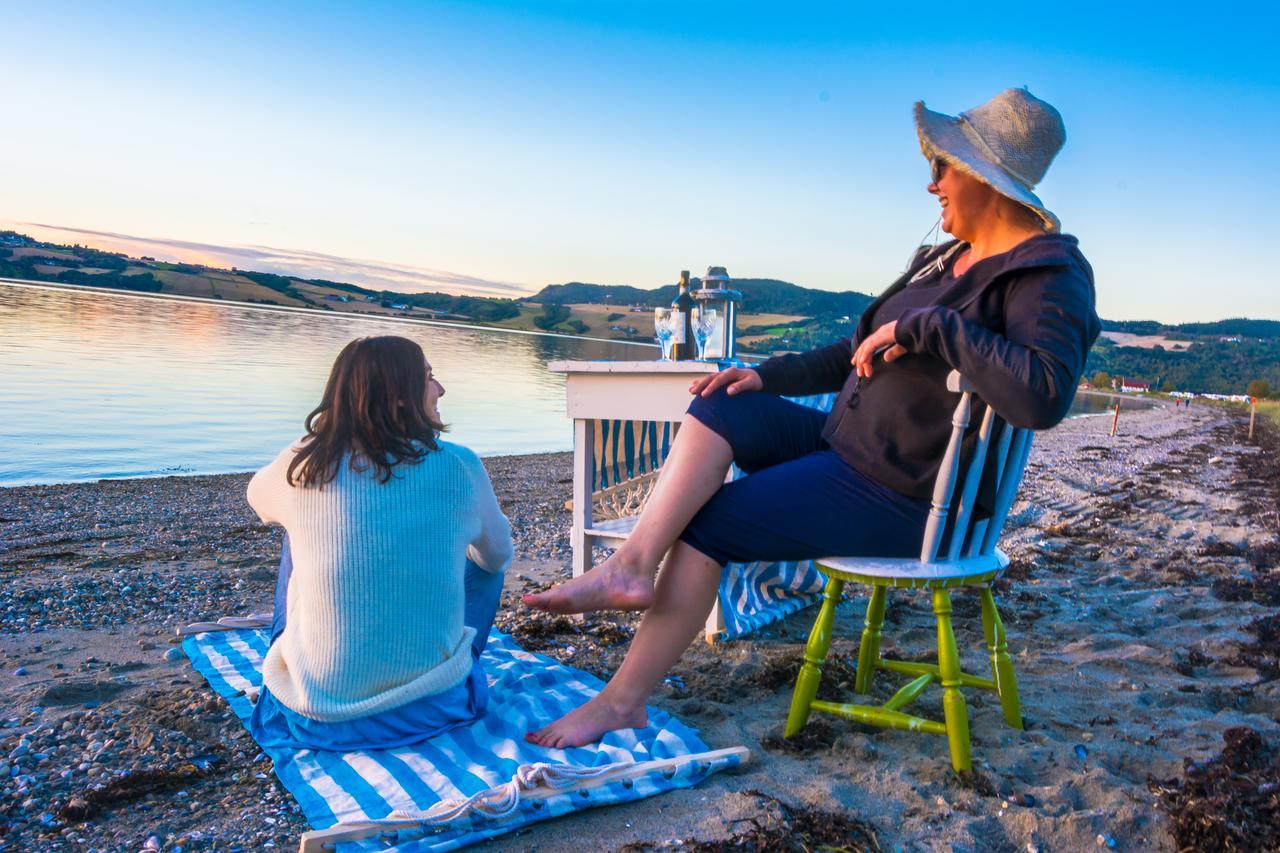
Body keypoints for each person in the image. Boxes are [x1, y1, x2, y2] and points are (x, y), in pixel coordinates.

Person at [524, 88, 1101, 748]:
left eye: (943, 166)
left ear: (984, 177)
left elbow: (1044, 395)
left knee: (712, 525)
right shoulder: (944, 257)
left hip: (910, 494)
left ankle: (621, 702)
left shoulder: (1050, 275)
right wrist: (769, 375)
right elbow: (857, 351)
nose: (931, 182)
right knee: (719, 401)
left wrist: (931, 326)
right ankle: (631, 562)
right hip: (847, 447)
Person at [246, 335, 513, 750]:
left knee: (294, 530)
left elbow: (257, 500)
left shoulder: (304, 464)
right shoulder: (460, 464)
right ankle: (433, 664)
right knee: (485, 563)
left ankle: (327, 665)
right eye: (428, 378)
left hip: (319, 718)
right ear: (401, 396)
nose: (440, 389)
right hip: (436, 707)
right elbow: (498, 556)